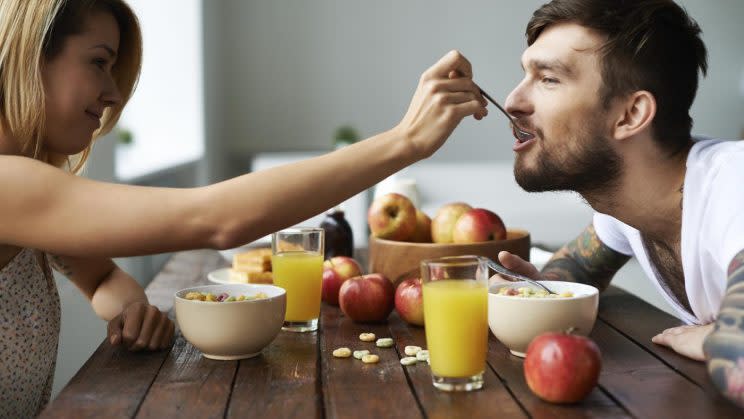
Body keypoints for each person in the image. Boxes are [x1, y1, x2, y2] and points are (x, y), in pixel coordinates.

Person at [0, 0, 488, 416]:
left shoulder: (33, 186)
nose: (113, 94)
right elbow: (216, 219)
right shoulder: (9, 185)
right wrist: (403, 142)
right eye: (98, 62)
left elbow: (102, 279)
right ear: (30, 57)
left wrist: (131, 310)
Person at [495, 0, 744, 408]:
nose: (513, 100)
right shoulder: (628, 205)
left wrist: (719, 339)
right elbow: (574, 269)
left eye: (549, 79)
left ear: (631, 114)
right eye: (526, 75)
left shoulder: (734, 183)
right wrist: (535, 293)